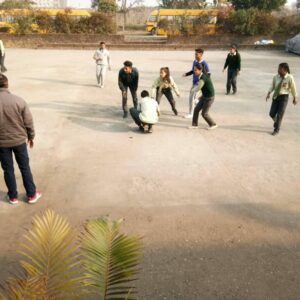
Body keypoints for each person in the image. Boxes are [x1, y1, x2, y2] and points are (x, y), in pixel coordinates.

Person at [0, 74, 41, 205]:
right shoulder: (19, 101)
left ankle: (12, 196)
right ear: (7, 85)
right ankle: (31, 194)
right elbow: (28, 122)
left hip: (2, 143)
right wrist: (31, 136)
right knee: (24, 167)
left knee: (8, 170)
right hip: (19, 141)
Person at [266, 62, 298, 136]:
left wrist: (295, 97)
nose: (278, 70)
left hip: (284, 97)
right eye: (278, 68)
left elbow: (293, 88)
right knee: (271, 113)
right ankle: (277, 122)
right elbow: (272, 86)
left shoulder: (290, 77)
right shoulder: (276, 77)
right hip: (276, 96)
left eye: (280, 69)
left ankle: (276, 129)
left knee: (280, 115)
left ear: (285, 70)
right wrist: (268, 93)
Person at [183, 48, 211, 119]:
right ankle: (198, 103)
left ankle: (191, 113)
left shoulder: (204, 63)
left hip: (199, 83)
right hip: (194, 82)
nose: (195, 55)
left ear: (201, 54)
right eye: (195, 54)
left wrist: (203, 81)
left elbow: (208, 74)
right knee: (193, 97)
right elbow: (193, 71)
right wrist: (186, 74)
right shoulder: (194, 61)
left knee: (192, 96)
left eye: (196, 54)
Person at [188, 64, 218, 130]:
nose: (194, 71)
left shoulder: (203, 78)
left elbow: (198, 88)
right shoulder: (201, 76)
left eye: (196, 70)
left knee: (204, 113)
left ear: (200, 70)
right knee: (196, 110)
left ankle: (213, 124)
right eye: (194, 70)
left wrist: (192, 90)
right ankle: (194, 125)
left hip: (209, 98)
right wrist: (201, 97)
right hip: (204, 96)